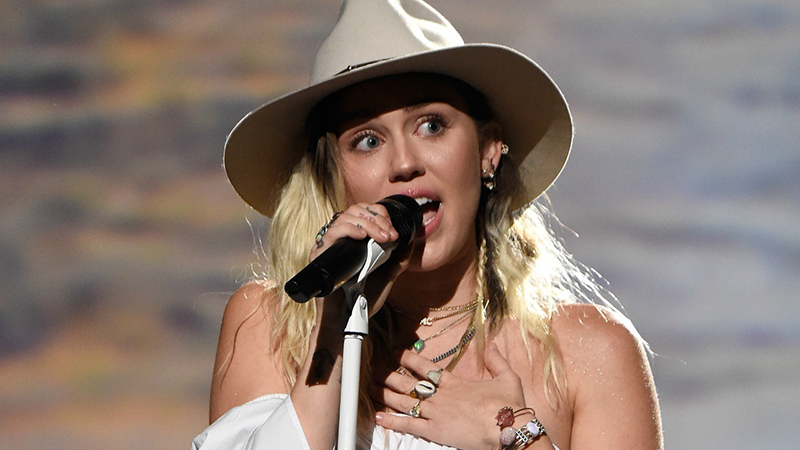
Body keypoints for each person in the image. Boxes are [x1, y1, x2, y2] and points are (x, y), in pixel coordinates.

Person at [192, 0, 663, 449]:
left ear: (488, 150)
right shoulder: (271, 327)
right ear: (332, 176)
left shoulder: (589, 352)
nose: (404, 163)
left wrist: (515, 437)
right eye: (367, 140)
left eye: (431, 125)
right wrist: (332, 332)